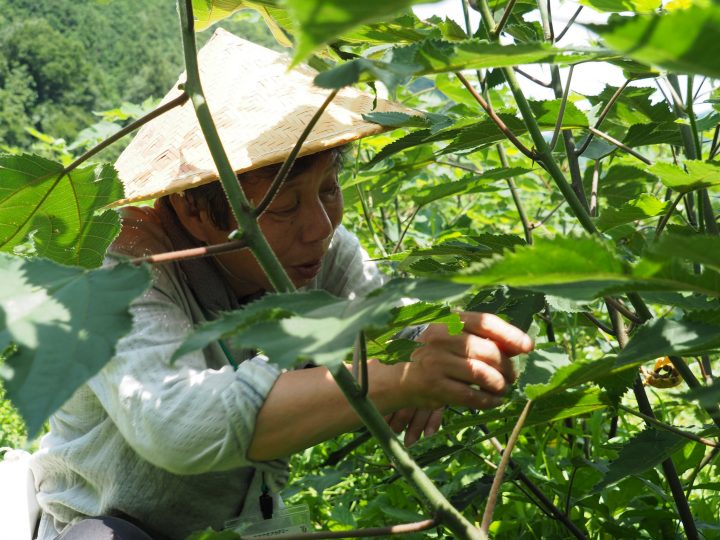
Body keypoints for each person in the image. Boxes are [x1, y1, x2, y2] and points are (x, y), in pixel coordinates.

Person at [30, 29, 533, 540]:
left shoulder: (323, 255)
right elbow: (176, 425)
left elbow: (387, 326)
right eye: (284, 205)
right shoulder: (114, 272)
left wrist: (432, 343)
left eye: (329, 190)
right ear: (189, 205)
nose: (320, 227)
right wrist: (392, 379)